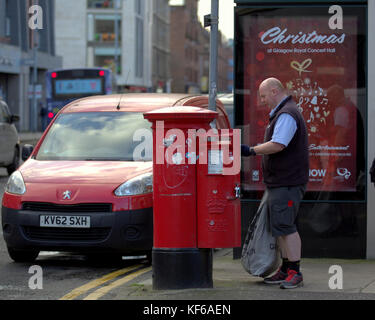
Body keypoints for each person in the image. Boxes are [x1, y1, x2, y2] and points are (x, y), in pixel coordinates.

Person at [241, 77, 309, 289]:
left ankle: (295, 272)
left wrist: (251, 150)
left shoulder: (287, 114)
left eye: (263, 96)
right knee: (279, 226)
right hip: (280, 182)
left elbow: (278, 144)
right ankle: (285, 268)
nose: (262, 101)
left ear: (274, 91)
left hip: (287, 182)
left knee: (286, 227)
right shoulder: (284, 112)